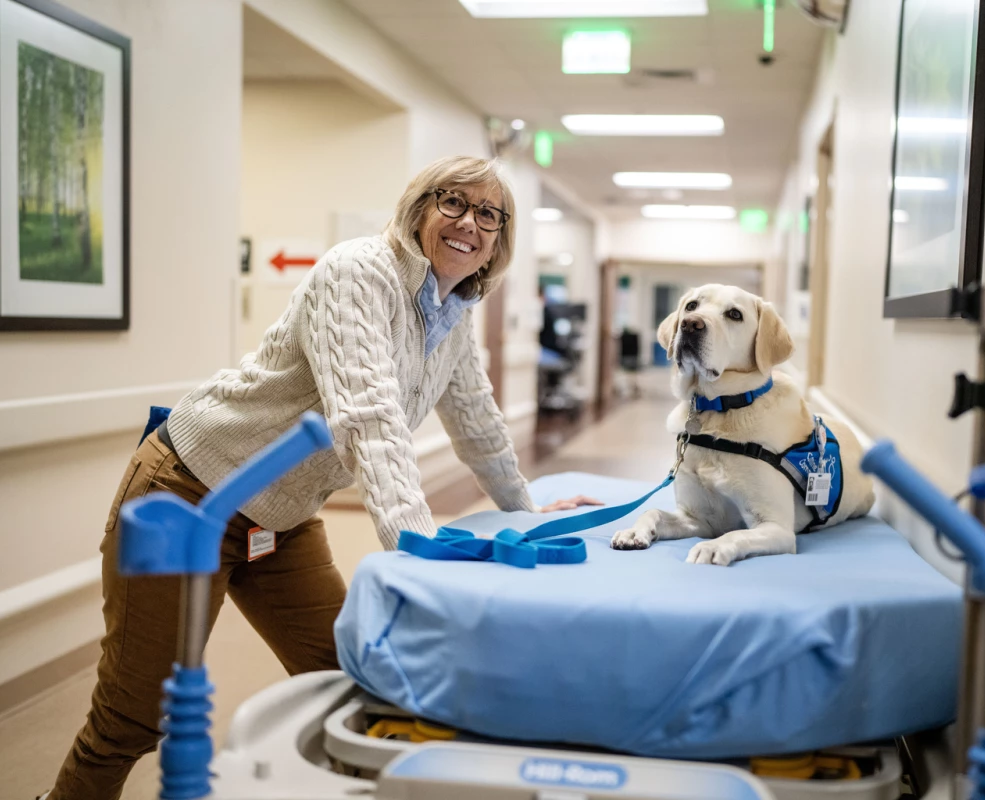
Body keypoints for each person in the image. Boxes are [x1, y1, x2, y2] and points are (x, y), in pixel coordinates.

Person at [46, 155, 598, 799]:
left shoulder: (452, 314)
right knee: (134, 715)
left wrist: (525, 513)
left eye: (488, 214)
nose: (468, 223)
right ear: (420, 207)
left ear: (498, 243)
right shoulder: (358, 271)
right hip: (192, 493)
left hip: (279, 516)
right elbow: (367, 416)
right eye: (452, 201)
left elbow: (477, 421)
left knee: (350, 677)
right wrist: (415, 551)